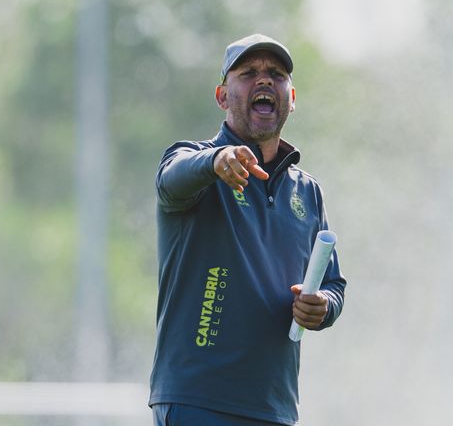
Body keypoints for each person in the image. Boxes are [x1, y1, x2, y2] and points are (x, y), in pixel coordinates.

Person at [149, 34, 347, 426]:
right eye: (249, 73)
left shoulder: (307, 192)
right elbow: (171, 180)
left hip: (274, 408)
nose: (264, 81)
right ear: (223, 96)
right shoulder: (194, 162)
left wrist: (322, 305)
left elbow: (334, 285)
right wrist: (217, 161)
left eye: (275, 74)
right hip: (198, 401)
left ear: (292, 98)